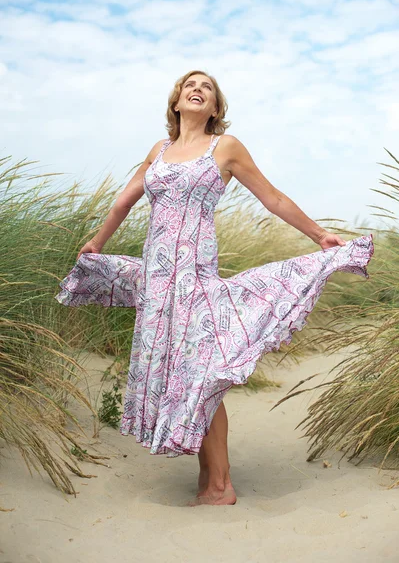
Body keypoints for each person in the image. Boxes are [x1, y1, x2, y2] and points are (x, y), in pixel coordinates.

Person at [55, 69, 374, 506]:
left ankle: (220, 486)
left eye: (207, 87)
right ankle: (210, 477)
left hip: (195, 277)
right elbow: (124, 200)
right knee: (183, 373)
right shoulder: (159, 150)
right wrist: (97, 242)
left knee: (200, 373)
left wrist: (319, 235)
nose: (198, 89)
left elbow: (272, 198)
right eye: (191, 85)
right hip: (157, 280)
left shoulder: (223, 147)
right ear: (176, 101)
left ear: (216, 107)